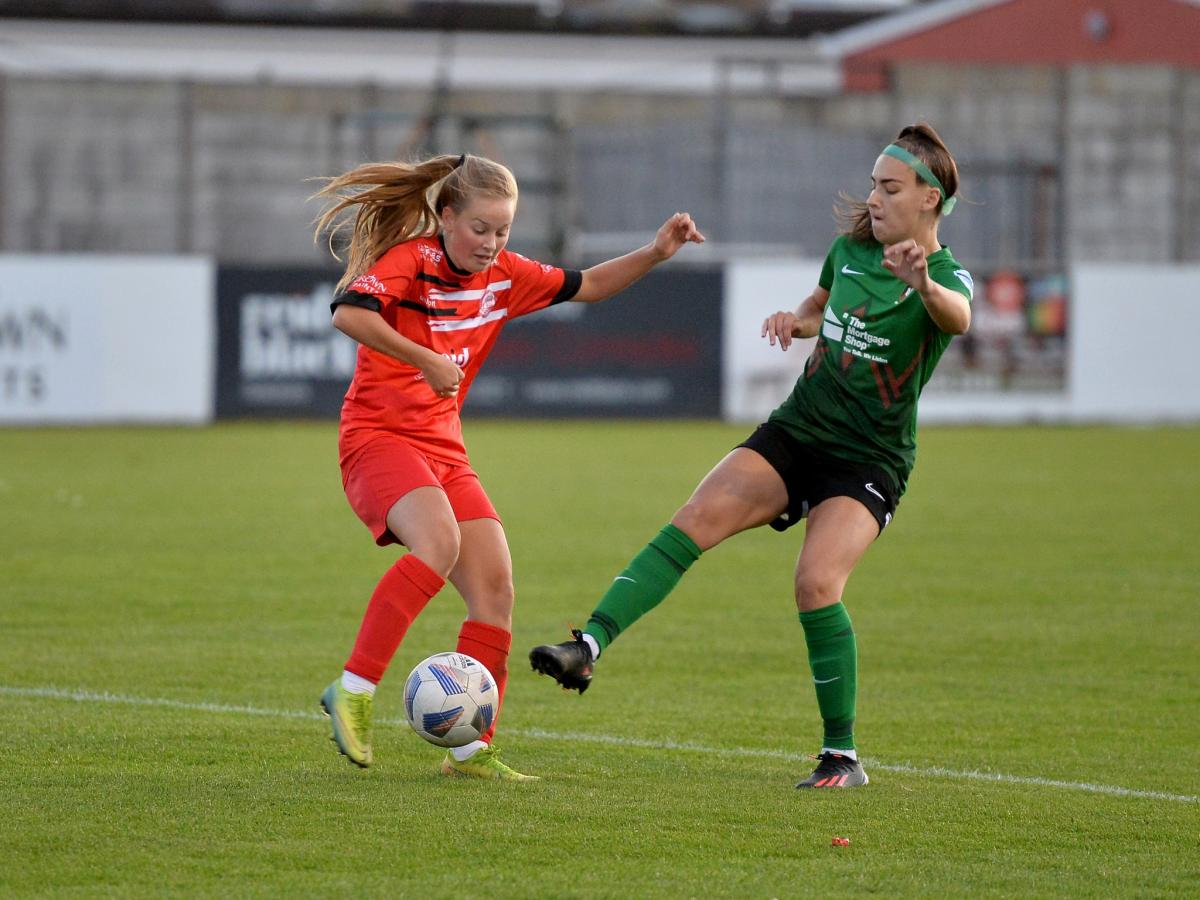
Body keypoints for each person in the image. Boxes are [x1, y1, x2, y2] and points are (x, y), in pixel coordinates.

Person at [530, 123, 972, 789]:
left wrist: (925, 285)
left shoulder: (945, 276)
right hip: (798, 430)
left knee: (816, 584)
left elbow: (957, 317)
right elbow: (820, 303)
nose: (874, 199)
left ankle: (842, 757)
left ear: (929, 198)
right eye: (873, 185)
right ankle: (587, 645)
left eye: (890, 188)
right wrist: (797, 320)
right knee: (694, 519)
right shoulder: (851, 251)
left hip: (868, 459)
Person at [312, 152, 704, 780]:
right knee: (439, 543)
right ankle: (353, 691)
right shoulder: (410, 261)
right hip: (378, 439)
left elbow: (588, 285)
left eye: (503, 230)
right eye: (479, 228)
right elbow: (349, 313)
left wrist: (656, 252)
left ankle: (471, 751)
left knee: (495, 589)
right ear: (446, 216)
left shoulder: (505, 274)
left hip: (444, 449)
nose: (492, 243)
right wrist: (426, 359)